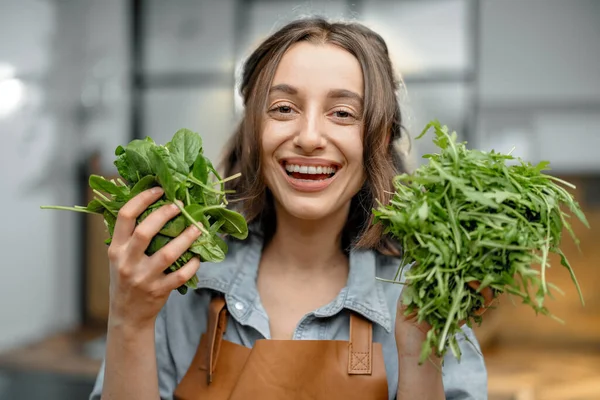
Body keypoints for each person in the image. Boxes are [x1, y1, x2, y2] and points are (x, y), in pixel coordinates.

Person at [89, 17, 490, 400]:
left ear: (380, 139)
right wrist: (130, 320)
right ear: (252, 131)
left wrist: (421, 352)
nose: (310, 137)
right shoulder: (179, 281)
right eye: (283, 108)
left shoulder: (426, 294)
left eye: (342, 113)